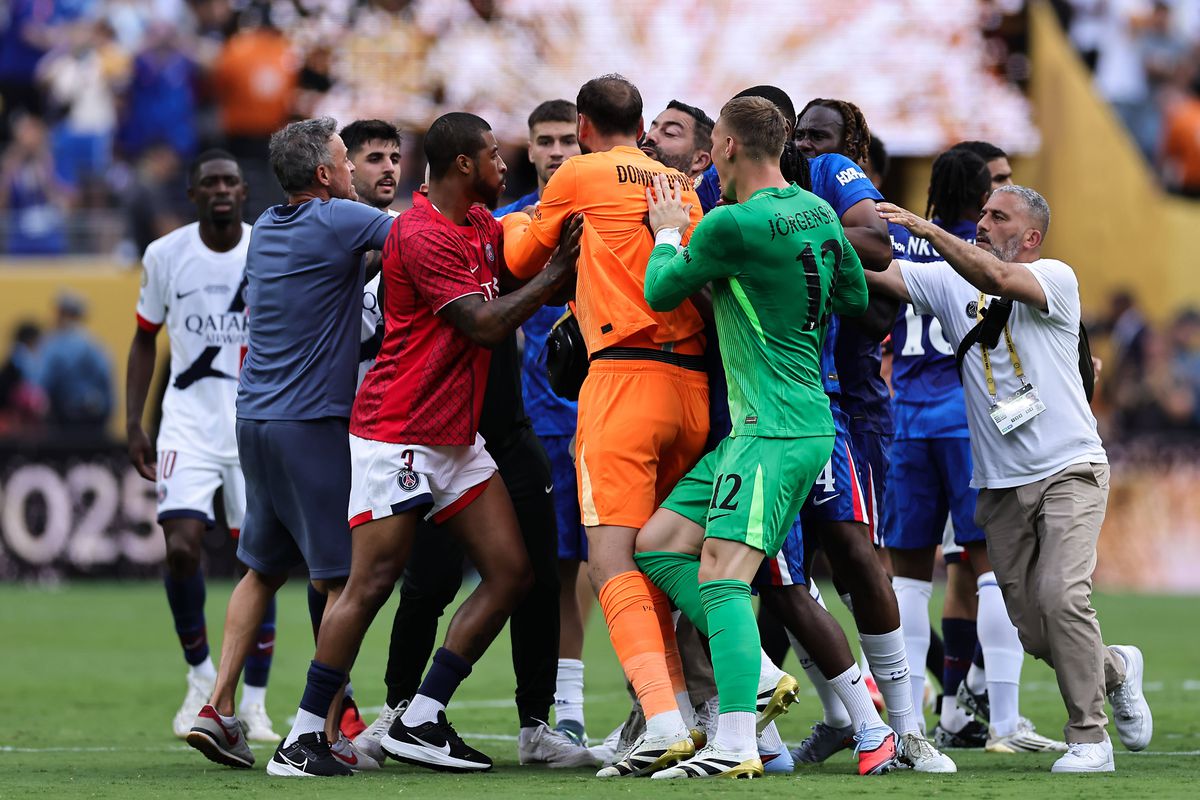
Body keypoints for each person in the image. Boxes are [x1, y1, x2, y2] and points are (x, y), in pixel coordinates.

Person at [272, 112, 582, 778]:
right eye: (496, 159)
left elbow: (525, 247)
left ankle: (421, 714)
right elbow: (483, 324)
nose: (508, 170)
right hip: (400, 431)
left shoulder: (479, 226)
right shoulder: (418, 234)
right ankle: (302, 736)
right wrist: (554, 278)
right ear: (465, 165)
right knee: (371, 583)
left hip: (455, 437)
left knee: (512, 574)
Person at [872, 185, 1153, 773]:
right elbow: (878, 272)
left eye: (998, 216)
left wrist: (927, 233)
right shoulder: (949, 282)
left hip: (1069, 468)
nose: (982, 222)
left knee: (1060, 597)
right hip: (998, 485)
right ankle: (1118, 667)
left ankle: (1089, 738)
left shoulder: (1055, 276)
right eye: (980, 213)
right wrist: (808, 232)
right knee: (1030, 629)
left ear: (1030, 237)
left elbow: (998, 279)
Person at [631, 96, 871, 779]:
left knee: (724, 578)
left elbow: (659, 291)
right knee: (658, 544)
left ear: (728, 147)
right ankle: (760, 673)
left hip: (773, 431)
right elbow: (852, 300)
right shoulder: (818, 213)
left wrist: (670, 229)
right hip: (782, 423)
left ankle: (734, 744)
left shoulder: (730, 225)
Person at [503, 74, 719, 777]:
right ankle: (684, 713)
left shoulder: (581, 174)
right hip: (690, 389)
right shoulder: (676, 186)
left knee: (609, 562)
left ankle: (659, 720)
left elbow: (517, 260)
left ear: (585, 127)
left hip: (622, 382)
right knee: (661, 555)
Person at [183, 117, 393, 772]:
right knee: (340, 583)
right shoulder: (339, 221)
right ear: (326, 175)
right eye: (348, 160)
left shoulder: (268, 228)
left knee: (262, 570)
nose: (359, 170)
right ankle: (322, 734)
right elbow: (421, 235)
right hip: (310, 425)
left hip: (254, 421)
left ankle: (217, 707)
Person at [886, 148, 1064, 754]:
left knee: (907, 580)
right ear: (976, 192)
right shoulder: (979, 254)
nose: (1006, 193)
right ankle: (1006, 721)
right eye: (999, 182)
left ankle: (908, 722)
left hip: (904, 421)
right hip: (970, 425)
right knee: (991, 573)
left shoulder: (896, 239)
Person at [126, 149, 280, 744]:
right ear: (192, 195)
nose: (220, 190)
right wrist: (134, 423)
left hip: (255, 425)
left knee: (259, 564)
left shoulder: (267, 248)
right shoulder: (166, 255)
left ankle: (258, 704)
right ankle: (200, 677)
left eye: (230, 182)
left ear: (245, 193)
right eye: (209, 182)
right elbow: (145, 340)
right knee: (183, 549)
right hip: (186, 424)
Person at [493, 100, 596, 748]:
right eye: (545, 141)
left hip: (602, 423)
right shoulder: (505, 226)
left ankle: (604, 706)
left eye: (567, 140)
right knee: (540, 574)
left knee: (614, 565)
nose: (557, 151)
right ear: (528, 150)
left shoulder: (610, 221)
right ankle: (558, 711)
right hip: (528, 430)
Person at [36, 292, 113, 439]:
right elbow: (105, 380)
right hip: (93, 417)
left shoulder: (53, 343)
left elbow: (42, 382)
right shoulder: (94, 344)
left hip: (63, 418)